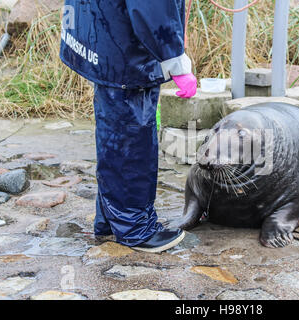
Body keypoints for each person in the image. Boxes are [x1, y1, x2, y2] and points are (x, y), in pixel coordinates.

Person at [59, 0, 197, 252]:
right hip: (124, 48)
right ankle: (133, 228)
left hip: (102, 32)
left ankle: (111, 219)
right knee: (131, 136)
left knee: (113, 130)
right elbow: (152, 8)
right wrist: (176, 62)